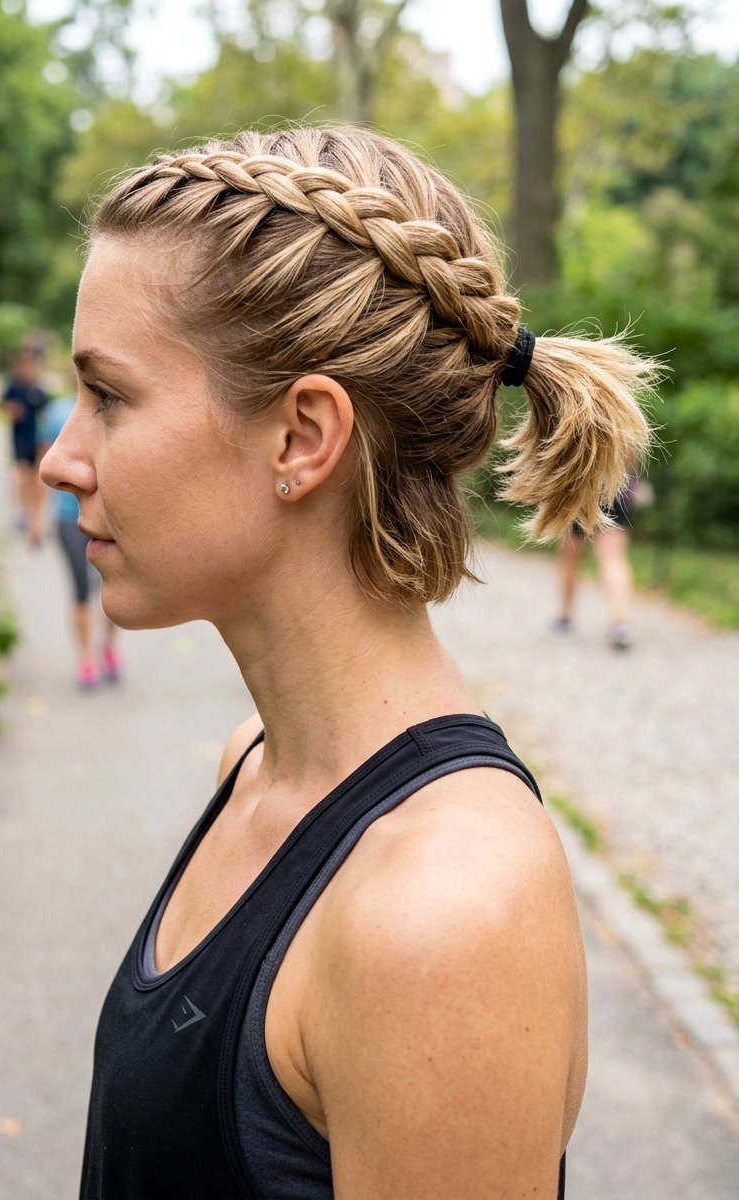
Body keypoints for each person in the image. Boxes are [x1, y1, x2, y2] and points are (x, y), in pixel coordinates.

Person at [41, 127, 654, 1200]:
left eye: (110, 397)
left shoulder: (441, 914)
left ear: (301, 436)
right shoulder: (255, 766)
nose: (61, 459)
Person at [39, 393, 121, 688]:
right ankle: (86, 659)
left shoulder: (113, 407)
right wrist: (37, 515)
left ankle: (108, 648)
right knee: (80, 588)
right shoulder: (57, 412)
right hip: (67, 517)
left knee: (112, 584)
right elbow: (42, 462)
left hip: (107, 513)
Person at [554, 476, 650, 650]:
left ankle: (565, 616)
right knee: (613, 558)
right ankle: (620, 622)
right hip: (615, 487)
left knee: (570, 558)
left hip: (576, 488)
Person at [1, 347, 50, 545]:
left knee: (35, 480)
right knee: (20, 476)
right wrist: (11, 410)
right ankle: (23, 512)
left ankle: (34, 516)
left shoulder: (40, 391)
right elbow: (2, 405)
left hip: (37, 441)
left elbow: (47, 415)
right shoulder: (13, 388)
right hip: (19, 439)